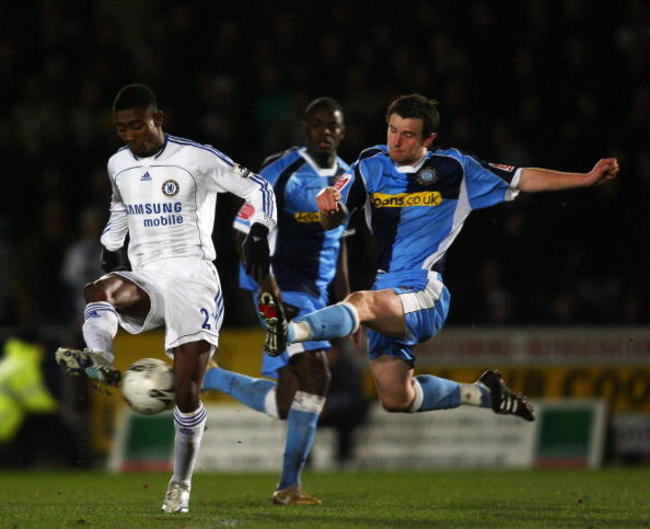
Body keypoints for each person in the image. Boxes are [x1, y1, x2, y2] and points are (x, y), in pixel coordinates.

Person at [263, 93, 619, 424]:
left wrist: (586, 178)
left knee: (359, 302)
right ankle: (482, 393)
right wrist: (327, 207)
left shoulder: (455, 170)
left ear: (427, 140)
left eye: (407, 135)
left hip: (424, 291)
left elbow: (525, 178)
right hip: (386, 290)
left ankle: (289, 331)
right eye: (392, 130)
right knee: (397, 398)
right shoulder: (369, 165)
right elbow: (334, 216)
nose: (396, 141)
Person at [54, 84, 276, 514]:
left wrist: (260, 230)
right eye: (122, 129)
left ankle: (180, 484)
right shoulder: (118, 163)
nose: (131, 136)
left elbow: (259, 189)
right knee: (97, 291)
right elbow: (120, 206)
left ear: (159, 118)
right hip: (149, 274)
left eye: (138, 126)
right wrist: (109, 244)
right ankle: (100, 357)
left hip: (194, 277)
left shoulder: (198, 158)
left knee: (188, 387)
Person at [202, 97, 351, 505]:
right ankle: (289, 487)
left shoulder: (348, 177)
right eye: (316, 124)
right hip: (281, 289)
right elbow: (244, 232)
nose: (324, 131)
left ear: (342, 131)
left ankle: (211, 377)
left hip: (316, 297)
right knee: (317, 376)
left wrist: (349, 303)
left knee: (287, 403)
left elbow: (340, 248)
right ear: (304, 128)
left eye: (331, 126)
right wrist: (268, 289)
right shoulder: (281, 170)